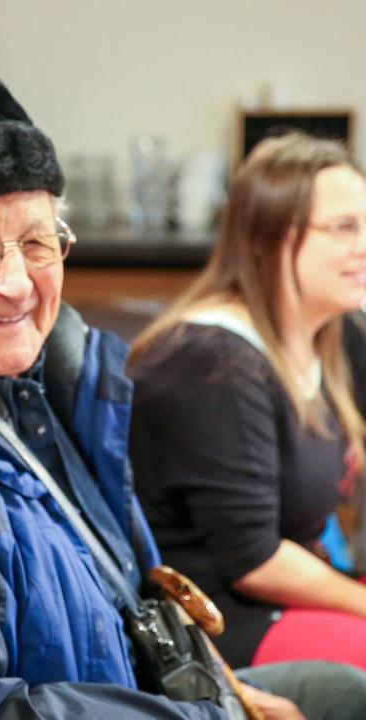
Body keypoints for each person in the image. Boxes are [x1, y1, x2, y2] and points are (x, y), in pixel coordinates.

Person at [0, 74, 366, 720]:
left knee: (344, 692)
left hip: (151, 692)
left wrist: (227, 692)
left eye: (37, 243)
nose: (16, 283)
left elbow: (136, 592)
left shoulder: (45, 379)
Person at [129, 132, 366, 672]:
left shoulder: (331, 334)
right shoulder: (212, 361)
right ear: (271, 237)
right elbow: (252, 561)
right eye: (345, 228)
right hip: (217, 624)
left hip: (286, 594)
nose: (364, 246)